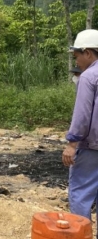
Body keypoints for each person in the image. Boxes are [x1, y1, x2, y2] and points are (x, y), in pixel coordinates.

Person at [62, 29, 98, 229]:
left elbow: (82, 114)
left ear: (88, 53)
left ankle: (81, 234)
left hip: (91, 146)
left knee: (81, 193)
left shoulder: (89, 76)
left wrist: (72, 144)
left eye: (76, 56)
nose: (76, 62)